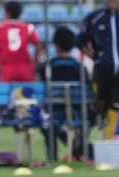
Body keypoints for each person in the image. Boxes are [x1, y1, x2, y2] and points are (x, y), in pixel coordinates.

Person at [78, 0, 119, 140]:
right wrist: (96, 57)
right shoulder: (93, 18)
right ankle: (81, 144)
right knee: (98, 107)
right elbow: (80, 42)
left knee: (116, 106)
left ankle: (110, 142)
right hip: (101, 71)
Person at [39, 26, 93, 162]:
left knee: (47, 124)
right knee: (88, 118)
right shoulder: (79, 66)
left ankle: (52, 157)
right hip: (77, 111)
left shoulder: (49, 66)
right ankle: (78, 148)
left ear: (56, 45)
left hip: (54, 111)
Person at [0, 1, 43, 82]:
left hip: (6, 68)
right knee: (28, 92)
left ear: (7, 13)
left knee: (6, 93)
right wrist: (35, 62)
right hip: (25, 67)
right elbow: (38, 45)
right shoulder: (28, 27)